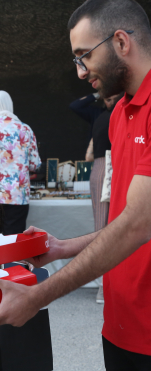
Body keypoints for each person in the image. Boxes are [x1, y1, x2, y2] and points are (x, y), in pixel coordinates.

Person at [0, 0, 151, 371]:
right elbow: (125, 220)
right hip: (121, 326)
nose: (80, 71)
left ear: (121, 42)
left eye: (83, 56)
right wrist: (63, 248)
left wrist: (36, 297)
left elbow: (137, 224)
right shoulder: (121, 114)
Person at [0, 90, 41, 235]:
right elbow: (35, 164)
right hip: (17, 196)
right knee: (13, 241)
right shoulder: (25, 129)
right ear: (10, 105)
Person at [85, 92, 123, 303]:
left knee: (101, 227)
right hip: (113, 167)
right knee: (114, 228)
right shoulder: (120, 116)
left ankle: (104, 285)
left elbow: (89, 156)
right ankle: (107, 285)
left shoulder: (100, 118)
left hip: (100, 169)